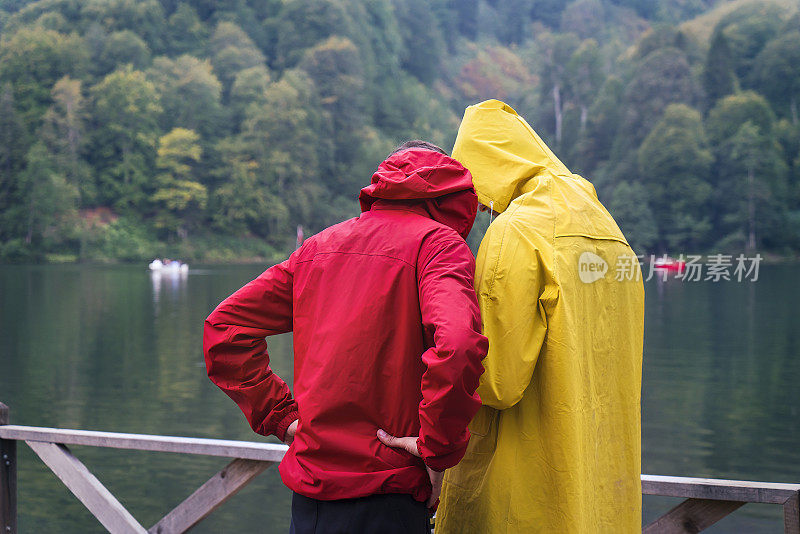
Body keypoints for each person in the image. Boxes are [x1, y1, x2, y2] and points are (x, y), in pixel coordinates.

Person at [203, 141, 488, 534]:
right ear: (452, 195)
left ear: (383, 184)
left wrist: (283, 420)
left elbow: (225, 329)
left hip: (311, 498)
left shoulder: (318, 248)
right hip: (389, 495)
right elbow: (457, 345)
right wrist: (436, 451)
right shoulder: (438, 246)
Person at [388, 100, 645, 532]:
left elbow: (494, 379)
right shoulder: (607, 229)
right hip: (603, 489)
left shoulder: (518, 231)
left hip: (529, 488)